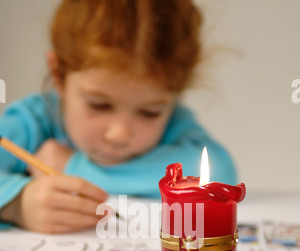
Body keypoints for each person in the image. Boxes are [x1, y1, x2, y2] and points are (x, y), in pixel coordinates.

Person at [0, 0, 237, 234]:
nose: (119, 134)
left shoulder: (175, 124)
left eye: (149, 112)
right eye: (100, 105)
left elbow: (220, 173)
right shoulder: (32, 121)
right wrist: (16, 204)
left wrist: (76, 168)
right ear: (59, 74)